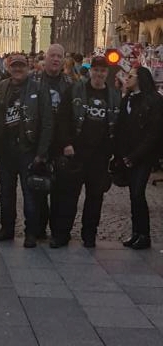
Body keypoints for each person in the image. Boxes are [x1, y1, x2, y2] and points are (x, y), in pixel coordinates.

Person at [53, 55, 121, 248]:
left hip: (100, 156)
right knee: (69, 196)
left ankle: (89, 235)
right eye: (96, 70)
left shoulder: (114, 95)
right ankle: (62, 234)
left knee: (95, 198)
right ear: (90, 71)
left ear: (107, 73)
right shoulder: (75, 90)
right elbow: (63, 118)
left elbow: (119, 125)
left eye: (102, 71)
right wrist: (66, 143)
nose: (99, 74)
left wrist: (114, 151)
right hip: (76, 152)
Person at [0, 53, 52, 248]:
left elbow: (47, 122)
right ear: (8, 67)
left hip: (28, 149)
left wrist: (41, 152)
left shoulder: (38, 88)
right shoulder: (1, 86)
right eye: (14, 66)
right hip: (5, 149)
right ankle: (7, 228)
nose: (17, 69)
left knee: (30, 194)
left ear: (28, 68)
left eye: (21, 66)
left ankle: (31, 233)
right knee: (6, 192)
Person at [115, 66, 162, 250]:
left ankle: (144, 234)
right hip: (128, 155)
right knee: (133, 195)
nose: (127, 79)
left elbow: (153, 133)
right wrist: (120, 155)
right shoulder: (127, 99)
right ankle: (136, 232)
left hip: (143, 156)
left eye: (131, 76)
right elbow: (121, 127)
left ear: (141, 78)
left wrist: (135, 155)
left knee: (137, 193)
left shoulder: (154, 100)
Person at [31, 44, 73, 240]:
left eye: (59, 56)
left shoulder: (70, 84)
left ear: (63, 60)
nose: (56, 59)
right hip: (38, 141)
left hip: (60, 143)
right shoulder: (34, 81)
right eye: (52, 55)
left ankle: (58, 231)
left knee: (61, 191)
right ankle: (39, 228)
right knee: (38, 188)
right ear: (45, 58)